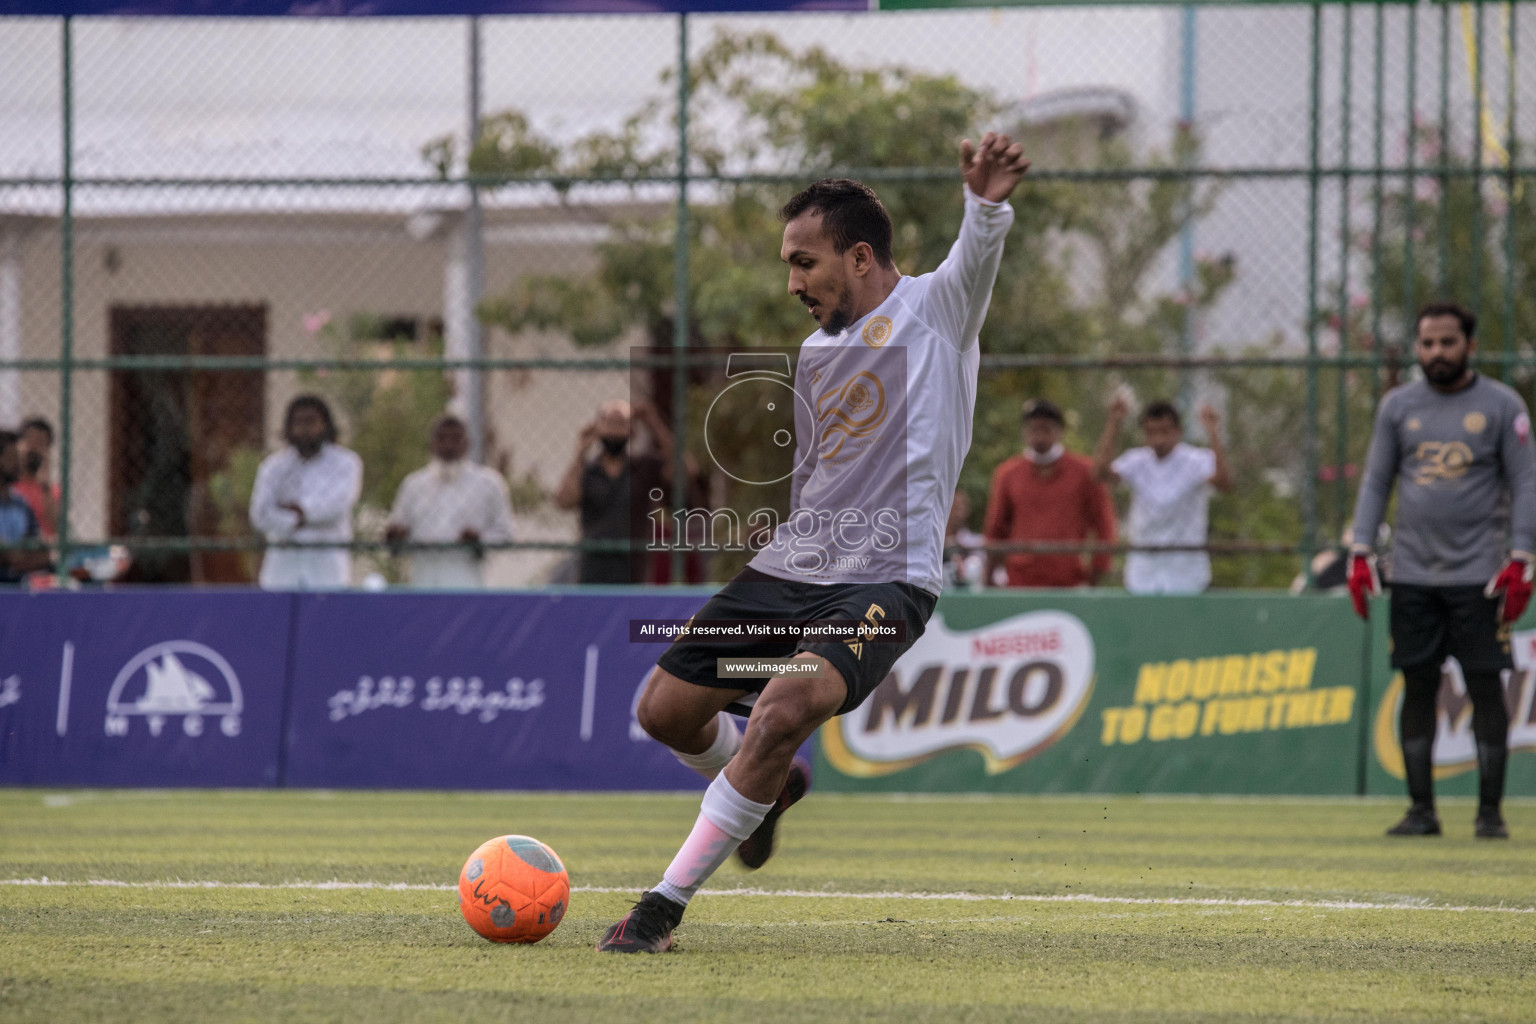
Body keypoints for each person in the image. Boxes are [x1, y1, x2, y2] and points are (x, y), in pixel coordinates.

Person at [595, 132, 1029, 953]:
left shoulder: (937, 313)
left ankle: (660, 908)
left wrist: (986, 202)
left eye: (805, 262)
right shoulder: (815, 353)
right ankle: (770, 786)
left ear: (859, 257)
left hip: (887, 585)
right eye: (789, 264)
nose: (793, 281)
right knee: (663, 711)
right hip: (793, 569)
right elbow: (820, 474)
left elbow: (977, 257)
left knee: (784, 706)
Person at [1347, 301, 1534, 840]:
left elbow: (1525, 482)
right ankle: (1421, 811)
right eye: (1426, 344)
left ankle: (1490, 815)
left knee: (1483, 686)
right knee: (1417, 685)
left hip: (1481, 577)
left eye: (1447, 343)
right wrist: (1361, 548)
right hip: (1411, 575)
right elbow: (1376, 481)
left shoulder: (1503, 406)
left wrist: (1522, 556)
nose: (1436, 353)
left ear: (1469, 346)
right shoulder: (1397, 406)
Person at [1093, 396, 1233, 594]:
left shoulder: (1196, 460)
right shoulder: (1137, 460)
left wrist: (1213, 431)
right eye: (1151, 432)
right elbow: (1100, 474)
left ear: (1178, 432)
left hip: (1186, 568)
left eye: (1164, 432)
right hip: (1144, 568)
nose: (1158, 440)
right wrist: (1114, 423)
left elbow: (1224, 483)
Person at [984, 398, 1115, 588]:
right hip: (1019, 582)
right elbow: (995, 529)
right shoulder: (1008, 474)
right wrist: (988, 580)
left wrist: (1093, 579)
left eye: (1046, 428)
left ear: (1059, 431)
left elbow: (1104, 526)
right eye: (1033, 429)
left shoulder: (1085, 472)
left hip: (1069, 583)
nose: (1039, 437)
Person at [386, 414, 516, 588]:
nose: (448, 445)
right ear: (431, 443)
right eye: (441, 438)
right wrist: (397, 536)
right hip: (423, 580)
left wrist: (480, 541)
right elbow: (398, 531)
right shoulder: (414, 485)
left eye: (455, 439)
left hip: (470, 582)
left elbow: (505, 534)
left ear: (466, 444)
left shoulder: (489, 484)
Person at [249, 395, 362, 590]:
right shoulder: (273, 467)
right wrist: (296, 519)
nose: (304, 429)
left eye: (311, 421)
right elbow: (260, 515)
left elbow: (338, 504)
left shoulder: (346, 463)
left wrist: (300, 511)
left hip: (327, 569)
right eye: (298, 422)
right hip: (282, 569)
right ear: (288, 427)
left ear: (325, 425)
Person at [554, 399, 672, 585]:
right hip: (593, 569)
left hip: (633, 569)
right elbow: (564, 501)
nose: (615, 432)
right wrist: (579, 453)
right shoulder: (586, 471)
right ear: (598, 428)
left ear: (631, 432)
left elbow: (683, 470)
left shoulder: (643, 467)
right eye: (610, 424)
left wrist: (655, 424)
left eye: (621, 425)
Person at [0, 430, 50, 584]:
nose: (19, 463)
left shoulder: (20, 502)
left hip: (19, 575)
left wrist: (16, 558)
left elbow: (42, 551)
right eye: (12, 457)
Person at [13, 416, 60, 541]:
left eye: (40, 442)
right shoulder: (7, 485)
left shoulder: (51, 491)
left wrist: (45, 482)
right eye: (29, 440)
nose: (33, 447)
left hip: (43, 553)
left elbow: (55, 527)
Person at [944, 491, 987, 589]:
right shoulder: (935, 542)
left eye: (960, 508)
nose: (956, 513)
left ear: (967, 511)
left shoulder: (977, 541)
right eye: (953, 507)